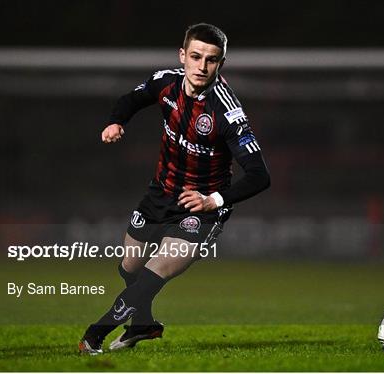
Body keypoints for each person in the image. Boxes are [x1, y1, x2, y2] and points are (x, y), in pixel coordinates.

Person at [79, 23, 270, 354]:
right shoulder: (166, 81)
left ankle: (94, 335)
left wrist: (214, 200)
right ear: (183, 56)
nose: (202, 66)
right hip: (160, 193)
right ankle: (144, 326)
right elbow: (132, 99)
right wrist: (116, 121)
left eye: (211, 60)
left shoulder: (228, 113)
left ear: (221, 64)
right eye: (195, 56)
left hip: (201, 208)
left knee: (154, 273)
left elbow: (259, 174)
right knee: (130, 269)